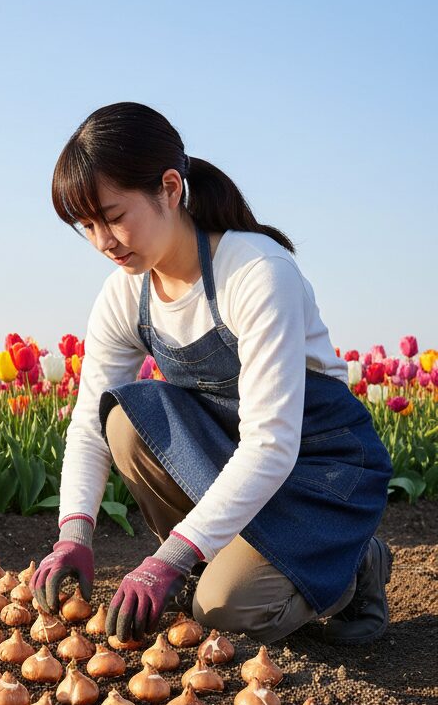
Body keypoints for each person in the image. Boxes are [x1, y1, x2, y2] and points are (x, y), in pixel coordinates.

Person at [30, 102, 393, 646]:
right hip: (227, 456)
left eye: (113, 215)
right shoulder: (125, 293)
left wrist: (169, 557)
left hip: (320, 468)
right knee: (124, 420)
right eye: (86, 226)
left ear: (170, 188)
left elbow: (271, 444)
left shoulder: (255, 273)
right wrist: (73, 533)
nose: (103, 241)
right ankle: (221, 560)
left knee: (227, 612)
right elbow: (88, 422)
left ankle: (354, 563)